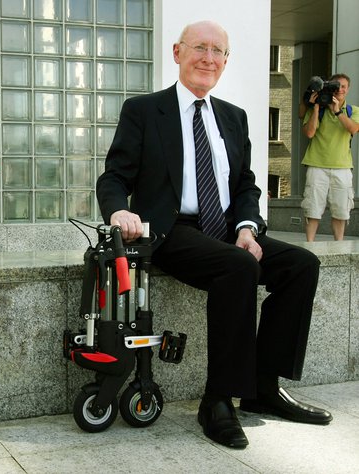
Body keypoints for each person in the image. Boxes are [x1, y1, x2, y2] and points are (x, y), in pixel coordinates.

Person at [96, 20, 332, 449]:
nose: (208, 57)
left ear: (226, 60)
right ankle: (217, 400)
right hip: (172, 231)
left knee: (301, 264)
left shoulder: (234, 116)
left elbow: (245, 185)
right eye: (199, 48)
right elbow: (114, 176)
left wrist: (246, 227)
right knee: (239, 266)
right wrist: (118, 211)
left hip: (225, 229)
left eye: (217, 51)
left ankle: (262, 390)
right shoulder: (145, 110)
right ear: (177, 53)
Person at [300, 73, 358, 241]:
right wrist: (317, 107)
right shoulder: (317, 109)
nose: (339, 89)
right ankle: (310, 245)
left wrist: (338, 111)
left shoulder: (352, 110)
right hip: (316, 165)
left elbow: (353, 129)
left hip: (342, 167)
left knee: (341, 211)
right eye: (336, 85)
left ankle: (339, 246)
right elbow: (309, 133)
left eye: (343, 86)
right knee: (313, 209)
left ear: (348, 90)